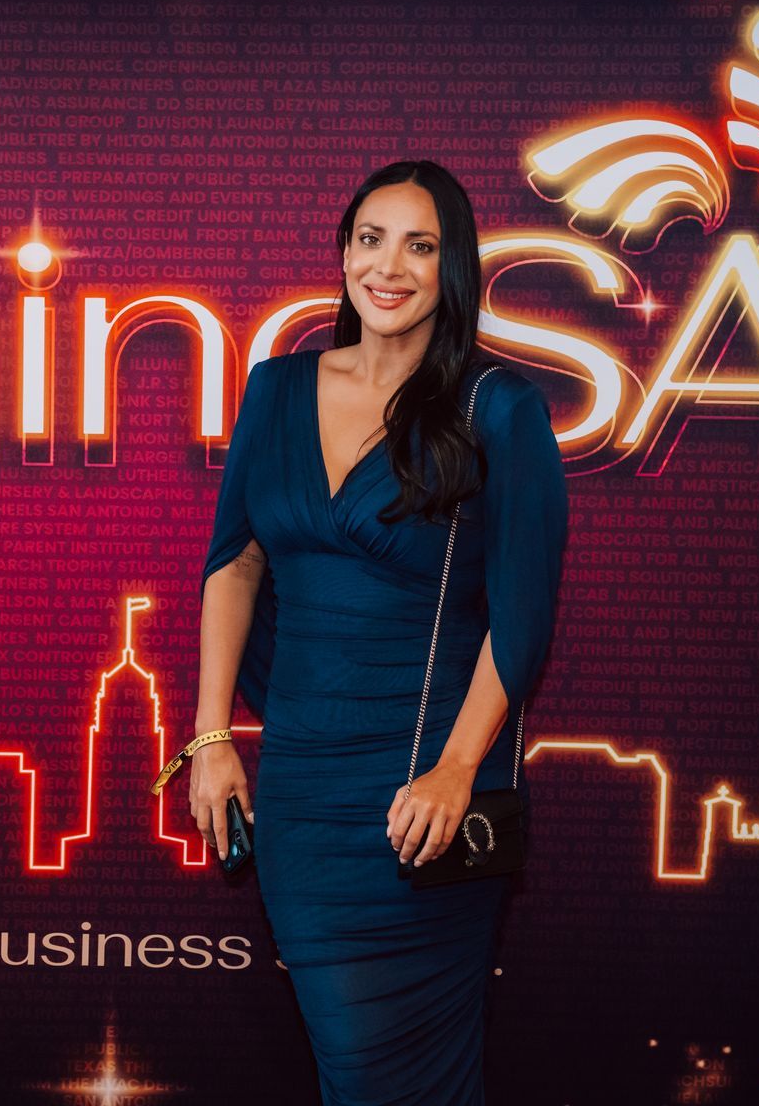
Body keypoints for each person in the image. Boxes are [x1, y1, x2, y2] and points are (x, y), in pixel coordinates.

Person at [186, 160, 570, 1104]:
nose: (388, 266)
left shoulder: (497, 408)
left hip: (420, 800)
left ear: (453, 267)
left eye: (419, 245)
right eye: (370, 239)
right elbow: (234, 563)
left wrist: (454, 770)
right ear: (344, 253)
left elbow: (521, 618)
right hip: (302, 800)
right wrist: (211, 735)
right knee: (348, 1067)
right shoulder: (276, 389)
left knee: (398, 1080)